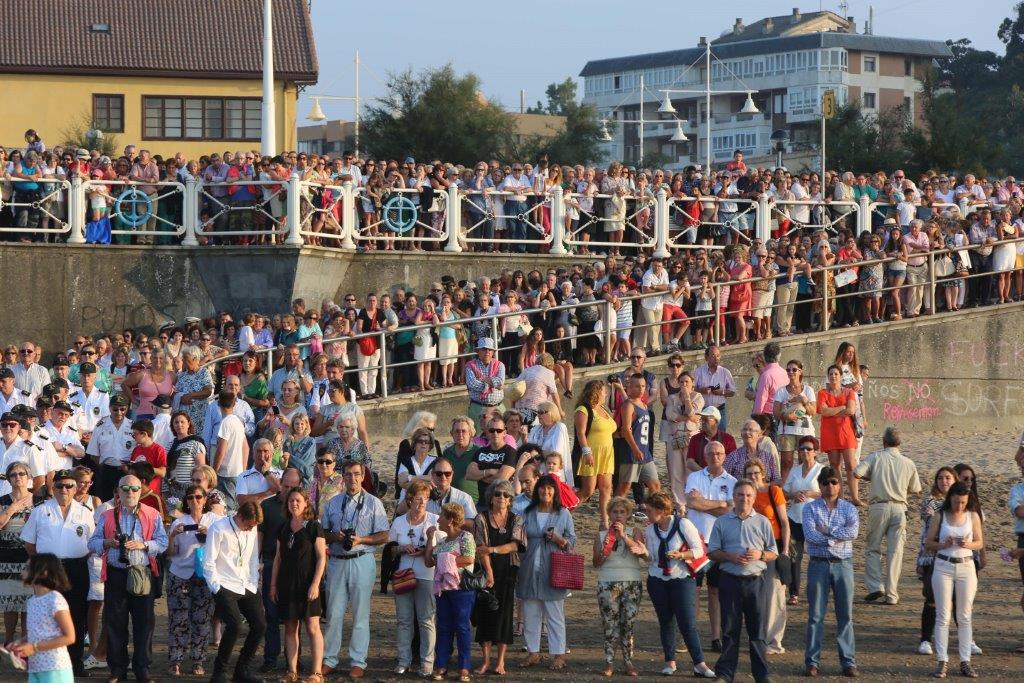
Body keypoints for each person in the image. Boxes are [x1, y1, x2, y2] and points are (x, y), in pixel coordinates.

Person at [88, 474, 167, 683]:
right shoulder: (107, 516)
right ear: (118, 492)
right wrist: (107, 543)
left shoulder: (152, 514)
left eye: (134, 489)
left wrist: (144, 545)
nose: (129, 492)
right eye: (125, 489)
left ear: (141, 491)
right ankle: (117, 669)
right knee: (115, 624)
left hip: (142, 572)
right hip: (116, 574)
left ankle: (142, 669)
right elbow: (92, 543)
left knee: (145, 624)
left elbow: (163, 542)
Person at [21, 468, 96, 678]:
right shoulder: (40, 510)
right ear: (52, 488)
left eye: (69, 485)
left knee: (77, 614)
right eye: (60, 485)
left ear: (75, 488)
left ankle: (75, 662)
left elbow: (91, 543)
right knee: (46, 615)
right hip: (48, 569)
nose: (64, 489)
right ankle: (43, 660)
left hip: (77, 567)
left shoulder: (85, 512)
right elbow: (29, 543)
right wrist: (43, 566)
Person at [320, 459, 390, 679]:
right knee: (333, 613)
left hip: (362, 559)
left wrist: (361, 540)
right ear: (343, 477)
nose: (352, 478)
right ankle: (329, 658)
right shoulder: (332, 503)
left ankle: (358, 661)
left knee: (361, 614)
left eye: (357, 474)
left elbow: (384, 535)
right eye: (348, 474)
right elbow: (323, 533)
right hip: (338, 560)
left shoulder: (373, 503)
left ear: (363, 476)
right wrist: (336, 536)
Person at [707, 478, 778, 683]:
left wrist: (760, 555)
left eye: (748, 495)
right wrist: (729, 556)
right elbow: (712, 551)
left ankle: (762, 675)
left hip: (756, 581)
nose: (744, 499)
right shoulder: (722, 522)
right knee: (730, 630)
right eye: (740, 495)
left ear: (754, 498)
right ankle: (725, 674)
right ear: (733, 497)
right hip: (730, 580)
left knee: (757, 631)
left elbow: (773, 552)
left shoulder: (763, 521)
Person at [640, 492, 716, 678]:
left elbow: (699, 550)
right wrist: (641, 552)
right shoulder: (650, 530)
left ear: (660, 511)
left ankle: (700, 663)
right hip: (657, 579)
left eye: (649, 511)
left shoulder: (683, 523)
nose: (647, 514)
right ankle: (670, 662)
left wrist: (680, 555)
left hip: (682, 579)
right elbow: (651, 559)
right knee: (665, 621)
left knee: (687, 623)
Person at [802, 465, 860, 678]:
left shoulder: (849, 508)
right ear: (820, 485)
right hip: (818, 564)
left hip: (843, 564)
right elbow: (810, 535)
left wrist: (827, 531)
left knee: (845, 615)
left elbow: (853, 532)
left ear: (840, 484)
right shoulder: (810, 508)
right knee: (815, 615)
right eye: (825, 482)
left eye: (833, 482)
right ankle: (812, 662)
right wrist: (837, 536)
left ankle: (848, 661)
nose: (830, 486)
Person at [854, 426, 922, 606]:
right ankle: (892, 593)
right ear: (899, 443)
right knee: (895, 552)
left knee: (872, 548)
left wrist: (874, 476)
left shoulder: (876, 457)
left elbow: (857, 473)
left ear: (884, 441)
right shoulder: (908, 462)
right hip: (900, 507)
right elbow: (916, 489)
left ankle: (876, 585)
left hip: (879, 506)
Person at [924, 482, 984, 679]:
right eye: (957, 502)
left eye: (963, 502)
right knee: (943, 614)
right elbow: (928, 543)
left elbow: (980, 542)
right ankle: (943, 661)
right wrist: (944, 544)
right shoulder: (940, 516)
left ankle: (965, 661)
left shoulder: (972, 516)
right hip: (943, 565)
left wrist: (968, 544)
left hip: (966, 565)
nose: (960, 506)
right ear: (950, 498)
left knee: (965, 615)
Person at [517, 474, 576, 670]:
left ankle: (559, 655)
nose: (546, 491)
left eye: (550, 488)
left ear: (555, 491)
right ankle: (533, 653)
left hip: (554, 569)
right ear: (537, 490)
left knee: (554, 614)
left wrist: (560, 540)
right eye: (542, 487)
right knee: (531, 612)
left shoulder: (563, 514)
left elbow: (572, 541)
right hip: (529, 569)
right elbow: (519, 538)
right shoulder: (528, 512)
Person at [203, 501, 266, 683]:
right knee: (235, 625)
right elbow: (209, 561)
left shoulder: (252, 528)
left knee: (260, 625)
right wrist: (216, 587)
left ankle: (242, 671)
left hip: (246, 583)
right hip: (224, 583)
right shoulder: (219, 528)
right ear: (239, 516)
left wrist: (253, 581)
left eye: (253, 526)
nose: (249, 529)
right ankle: (219, 672)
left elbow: (253, 557)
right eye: (248, 525)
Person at [271, 487, 327, 683]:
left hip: (308, 584)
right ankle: (292, 671)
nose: (294, 503)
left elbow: (321, 558)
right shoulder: (283, 527)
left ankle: (317, 672)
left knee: (312, 627)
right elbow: (278, 558)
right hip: (287, 584)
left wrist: (315, 584)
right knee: (290, 627)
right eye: (290, 501)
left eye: (297, 500)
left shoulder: (314, 527)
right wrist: (273, 585)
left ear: (306, 503)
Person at [166, 484, 219, 677]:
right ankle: (175, 661)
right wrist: (173, 536)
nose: (194, 501)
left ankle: (198, 661)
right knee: (178, 620)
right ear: (186, 501)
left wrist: (209, 535)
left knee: (202, 620)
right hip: (180, 574)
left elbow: (221, 549)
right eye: (190, 498)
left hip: (204, 575)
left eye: (198, 497)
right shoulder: (179, 522)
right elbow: (171, 554)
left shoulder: (214, 521)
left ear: (205, 499)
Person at [473, 480, 523, 676]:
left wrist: (493, 549)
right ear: (491, 497)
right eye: (497, 494)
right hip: (486, 570)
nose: (501, 498)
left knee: (504, 616)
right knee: (485, 615)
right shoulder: (481, 518)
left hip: (508, 571)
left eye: (506, 495)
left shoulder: (516, 519)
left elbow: (515, 545)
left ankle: (500, 661)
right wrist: (489, 572)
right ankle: (485, 660)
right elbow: (480, 547)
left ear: (510, 500)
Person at [388, 480, 438, 678]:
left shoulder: (434, 520)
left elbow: (439, 550)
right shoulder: (399, 521)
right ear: (409, 500)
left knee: (426, 620)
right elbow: (389, 549)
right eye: (418, 499)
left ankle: (427, 663)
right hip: (403, 575)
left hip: (426, 576)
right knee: (404, 620)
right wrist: (402, 549)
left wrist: (426, 547)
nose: (422, 503)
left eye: (425, 499)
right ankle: (403, 660)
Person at [424, 502, 477, 683]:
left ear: (451, 519)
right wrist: (430, 539)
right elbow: (429, 562)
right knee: (444, 626)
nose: (438, 519)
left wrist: (445, 563)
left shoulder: (465, 537)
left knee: (462, 627)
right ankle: (441, 663)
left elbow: (469, 558)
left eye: (442, 516)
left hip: (462, 589)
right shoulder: (441, 540)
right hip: (443, 590)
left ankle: (464, 666)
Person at [743, 459, 790, 656]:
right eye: (749, 474)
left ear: (763, 473)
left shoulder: (774, 491)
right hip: (753, 549)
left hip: (774, 548)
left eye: (756, 473)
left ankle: (774, 642)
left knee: (774, 596)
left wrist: (785, 550)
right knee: (756, 596)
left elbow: (785, 523)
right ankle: (758, 638)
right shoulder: (746, 495)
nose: (753, 477)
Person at [9, 553, 75, 683]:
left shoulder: (55, 600)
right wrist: (20, 643)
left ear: (43, 573)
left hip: (55, 669)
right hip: (35, 669)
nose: (22, 571)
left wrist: (34, 648)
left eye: (27, 568)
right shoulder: (32, 601)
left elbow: (70, 637)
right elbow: (38, 633)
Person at [916, 467, 958, 656]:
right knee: (932, 598)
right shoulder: (930, 501)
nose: (944, 481)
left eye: (948, 478)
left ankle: (968, 640)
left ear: (954, 480)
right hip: (932, 556)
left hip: (957, 555)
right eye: (940, 478)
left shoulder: (963, 502)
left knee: (958, 599)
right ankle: (926, 639)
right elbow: (933, 522)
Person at [574, 380, 617, 529]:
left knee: (606, 488)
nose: (606, 394)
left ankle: (604, 522)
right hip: (591, 453)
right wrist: (586, 452)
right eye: (604, 391)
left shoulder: (603, 409)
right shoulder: (583, 409)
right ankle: (565, 511)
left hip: (607, 453)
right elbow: (580, 433)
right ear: (597, 392)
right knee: (587, 491)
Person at [818, 365, 861, 506]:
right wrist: (841, 408)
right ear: (828, 376)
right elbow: (823, 411)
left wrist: (833, 411)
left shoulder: (849, 392)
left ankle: (855, 497)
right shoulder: (823, 392)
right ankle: (840, 497)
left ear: (840, 376)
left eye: (836, 373)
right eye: (831, 374)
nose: (833, 376)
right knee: (835, 465)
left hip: (846, 431)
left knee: (851, 465)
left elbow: (850, 410)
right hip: (830, 433)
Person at [0, 461, 33, 643]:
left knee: (28, 602)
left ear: (28, 477)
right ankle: (9, 641)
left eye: (21, 474)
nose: (18, 477)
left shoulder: (39, 500)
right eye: (13, 474)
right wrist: (13, 508)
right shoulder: (2, 501)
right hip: (7, 557)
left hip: (30, 558)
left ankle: (26, 642)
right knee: (10, 602)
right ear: (9, 478)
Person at [614, 375, 660, 498]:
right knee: (625, 486)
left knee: (655, 485)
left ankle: (654, 512)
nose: (641, 389)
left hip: (645, 452)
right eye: (637, 386)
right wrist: (635, 449)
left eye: (643, 386)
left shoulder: (644, 405)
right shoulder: (628, 405)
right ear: (630, 387)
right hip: (631, 453)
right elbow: (626, 430)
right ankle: (612, 511)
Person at [663, 370, 703, 505]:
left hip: (690, 437)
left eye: (687, 382)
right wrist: (688, 418)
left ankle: (692, 500)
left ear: (692, 383)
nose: (684, 384)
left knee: (690, 470)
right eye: (681, 382)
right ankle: (680, 503)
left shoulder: (698, 397)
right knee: (676, 470)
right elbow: (670, 416)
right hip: (675, 436)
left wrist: (686, 397)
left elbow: (692, 411)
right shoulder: (672, 398)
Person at [773, 359, 816, 483]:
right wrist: (786, 416)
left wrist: (803, 400)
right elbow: (775, 412)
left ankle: (805, 485)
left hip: (805, 430)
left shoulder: (808, 390)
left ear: (800, 372)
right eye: (788, 370)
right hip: (786, 430)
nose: (790, 372)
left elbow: (813, 411)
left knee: (806, 460)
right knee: (786, 462)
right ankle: (786, 489)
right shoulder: (781, 391)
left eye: (794, 369)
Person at [211, 391, 249, 511]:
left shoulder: (225, 423)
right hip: (237, 473)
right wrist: (242, 470)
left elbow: (221, 450)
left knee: (227, 507)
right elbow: (246, 447)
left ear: (218, 404)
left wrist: (214, 471)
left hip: (226, 473)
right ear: (234, 404)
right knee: (234, 505)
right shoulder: (238, 421)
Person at [464, 338, 505, 433]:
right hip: (478, 408)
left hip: (498, 408)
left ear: (493, 352)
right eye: (484, 349)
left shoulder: (500, 365)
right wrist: (491, 384)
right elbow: (472, 384)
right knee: (478, 437)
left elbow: (500, 382)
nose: (487, 351)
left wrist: (483, 380)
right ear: (478, 351)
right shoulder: (470, 365)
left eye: (490, 349)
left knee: (499, 436)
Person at [693, 345, 736, 432]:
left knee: (721, 435)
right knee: (703, 435)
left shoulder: (725, 372)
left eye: (718, 355)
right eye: (713, 355)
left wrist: (722, 392)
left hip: (720, 409)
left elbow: (732, 391)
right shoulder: (698, 372)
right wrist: (701, 390)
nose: (716, 358)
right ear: (706, 357)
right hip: (703, 410)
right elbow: (691, 389)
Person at [686, 406, 737, 473]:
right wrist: (705, 473)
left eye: (706, 419)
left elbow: (733, 462)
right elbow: (689, 462)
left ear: (716, 422)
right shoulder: (695, 439)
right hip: (701, 477)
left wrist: (718, 474)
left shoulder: (728, 439)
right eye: (702, 419)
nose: (703, 422)